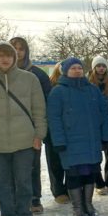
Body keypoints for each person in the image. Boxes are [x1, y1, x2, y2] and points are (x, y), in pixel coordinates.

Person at [0, 41, 47, 216]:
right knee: (2, 185)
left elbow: (39, 110)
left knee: (24, 182)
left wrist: (39, 134)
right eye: (0, 55)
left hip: (25, 141)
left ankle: (25, 215)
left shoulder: (29, 79)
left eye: (8, 55)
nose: (5, 58)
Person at [48, 57, 108, 216]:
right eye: (73, 68)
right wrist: (58, 140)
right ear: (66, 71)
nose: (77, 70)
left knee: (91, 173)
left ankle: (88, 205)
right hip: (70, 143)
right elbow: (53, 119)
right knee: (74, 176)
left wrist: (105, 136)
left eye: (79, 68)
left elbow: (103, 113)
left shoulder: (92, 90)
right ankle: (77, 207)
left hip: (91, 140)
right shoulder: (58, 91)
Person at [9, 37, 51, 214]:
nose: (18, 52)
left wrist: (40, 129)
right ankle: (13, 200)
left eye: (21, 48)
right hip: (7, 127)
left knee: (32, 165)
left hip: (31, 127)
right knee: (9, 166)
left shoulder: (37, 74)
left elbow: (45, 102)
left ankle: (34, 198)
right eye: (14, 48)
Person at [88, 56, 108, 195]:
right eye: (98, 66)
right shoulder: (88, 83)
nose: (101, 68)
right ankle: (99, 183)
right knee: (95, 154)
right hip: (95, 123)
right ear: (94, 68)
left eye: (103, 66)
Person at [45, 62, 69, 204]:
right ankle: (58, 190)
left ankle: (70, 188)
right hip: (52, 130)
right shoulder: (50, 86)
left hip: (70, 130)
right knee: (55, 163)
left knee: (69, 162)